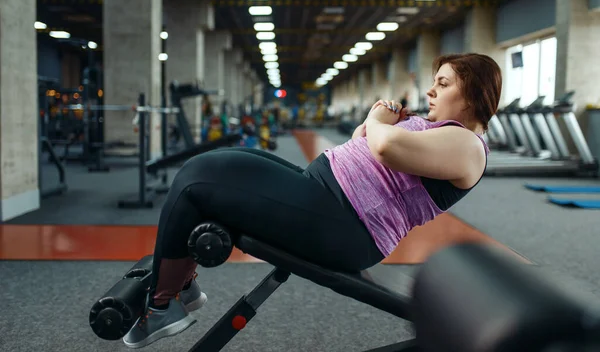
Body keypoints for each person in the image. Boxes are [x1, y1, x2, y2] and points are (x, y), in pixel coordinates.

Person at [122, 53, 502, 348]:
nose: (431, 91)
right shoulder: (444, 133)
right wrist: (372, 126)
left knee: (195, 179)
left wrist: (377, 119)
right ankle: (180, 285)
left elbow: (383, 147)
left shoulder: (467, 145)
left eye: (443, 83)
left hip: (343, 222)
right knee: (206, 168)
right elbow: (363, 142)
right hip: (324, 195)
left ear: (473, 96)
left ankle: (162, 304)